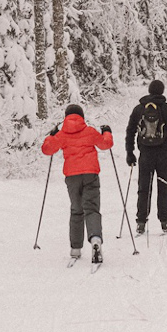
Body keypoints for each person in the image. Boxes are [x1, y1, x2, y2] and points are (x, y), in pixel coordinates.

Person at [41, 104, 114, 264]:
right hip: (90, 174)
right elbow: (105, 144)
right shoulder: (89, 131)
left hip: (72, 176)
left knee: (76, 210)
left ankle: (75, 248)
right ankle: (95, 240)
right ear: (81, 116)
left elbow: (47, 149)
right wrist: (107, 132)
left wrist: (51, 136)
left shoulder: (62, 134)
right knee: (92, 209)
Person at [125, 79, 167, 235]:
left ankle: (141, 222)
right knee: (164, 186)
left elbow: (130, 131)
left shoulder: (139, 109)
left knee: (144, 188)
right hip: (164, 154)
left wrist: (129, 153)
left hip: (145, 154)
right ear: (162, 91)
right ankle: (165, 222)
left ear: (149, 90)